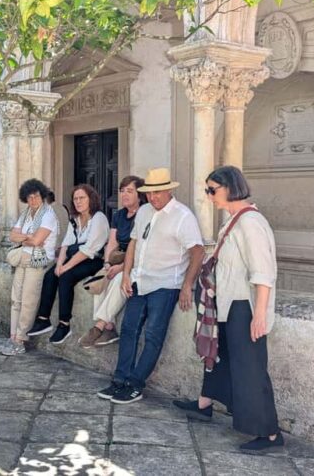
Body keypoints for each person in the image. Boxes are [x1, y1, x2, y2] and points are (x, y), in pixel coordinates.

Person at [173, 166, 283, 451]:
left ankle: (270, 434)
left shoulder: (251, 223)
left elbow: (263, 272)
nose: (209, 196)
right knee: (220, 357)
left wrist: (259, 315)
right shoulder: (234, 221)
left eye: (212, 190)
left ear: (231, 187)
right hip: (227, 304)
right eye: (207, 190)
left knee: (250, 367)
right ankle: (205, 403)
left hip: (243, 307)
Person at [97, 167, 204, 404]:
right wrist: (126, 274)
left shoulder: (183, 216)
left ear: (168, 190)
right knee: (128, 330)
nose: (153, 198)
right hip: (139, 281)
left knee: (153, 335)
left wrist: (187, 285)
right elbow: (134, 243)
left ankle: (135, 385)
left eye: (158, 193)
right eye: (149, 193)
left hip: (166, 285)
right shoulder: (144, 211)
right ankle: (120, 380)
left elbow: (198, 251)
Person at [28, 184, 109, 344]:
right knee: (51, 274)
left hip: (94, 260)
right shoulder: (76, 220)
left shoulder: (98, 218)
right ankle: (43, 318)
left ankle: (64, 324)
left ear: (91, 199)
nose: (78, 202)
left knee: (66, 276)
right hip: (77, 257)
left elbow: (88, 250)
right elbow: (66, 244)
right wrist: (59, 264)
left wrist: (66, 267)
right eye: (75, 199)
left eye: (82, 198)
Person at [79, 176, 147, 348]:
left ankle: (98, 326)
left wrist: (122, 267)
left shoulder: (145, 214)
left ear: (140, 195)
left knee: (119, 280)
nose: (124, 194)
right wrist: (108, 264)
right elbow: (112, 242)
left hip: (138, 262)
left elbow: (142, 249)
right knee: (101, 279)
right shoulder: (119, 215)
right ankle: (109, 327)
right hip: (117, 260)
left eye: (129, 191)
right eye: (122, 191)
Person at [0, 179, 59, 356]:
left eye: (36, 196)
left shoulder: (48, 215)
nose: (33, 200)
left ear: (42, 195)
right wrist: (29, 237)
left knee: (28, 301)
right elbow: (12, 236)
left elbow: (38, 241)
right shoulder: (25, 215)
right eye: (29, 197)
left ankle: (21, 339)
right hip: (23, 259)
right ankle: (13, 336)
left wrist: (25, 237)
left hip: (37, 262)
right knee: (16, 298)